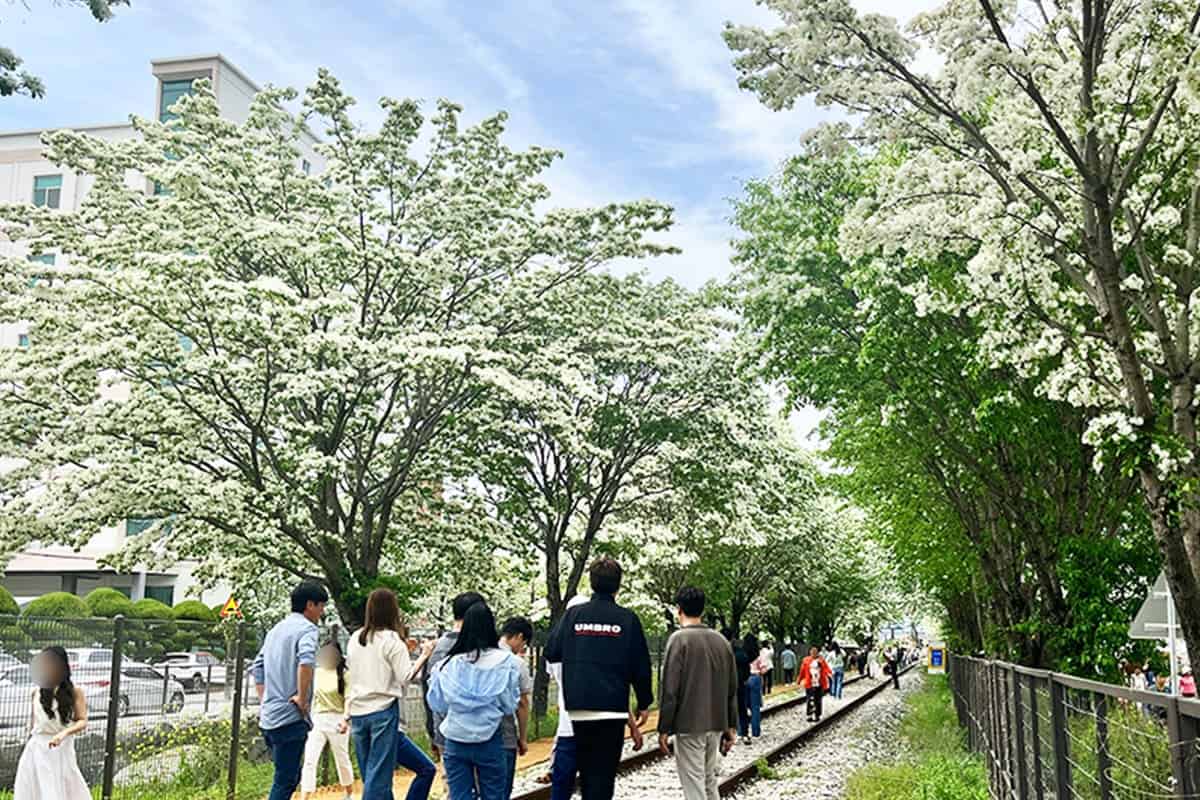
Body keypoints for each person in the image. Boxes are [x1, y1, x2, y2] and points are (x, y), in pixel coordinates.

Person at [546, 558, 653, 800]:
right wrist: (643, 702)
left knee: (584, 773)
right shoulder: (627, 619)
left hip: (579, 707)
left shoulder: (573, 615)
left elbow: (552, 650)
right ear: (618, 586)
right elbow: (640, 664)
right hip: (611, 709)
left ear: (591, 583)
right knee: (602, 778)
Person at [347, 587, 436, 800]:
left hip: (358, 713)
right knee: (378, 780)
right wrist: (424, 655)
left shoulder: (355, 638)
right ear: (392, 611)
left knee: (371, 776)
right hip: (383, 712)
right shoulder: (392, 640)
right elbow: (405, 676)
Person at [427, 600, 520, 800]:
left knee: (459, 796)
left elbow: (438, 704)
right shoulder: (506, 662)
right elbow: (508, 706)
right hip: (489, 740)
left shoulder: (447, 664)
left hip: (455, 741)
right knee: (494, 795)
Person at [657, 586, 738, 800]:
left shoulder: (679, 640)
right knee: (709, 780)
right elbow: (731, 688)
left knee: (693, 783)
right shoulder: (721, 641)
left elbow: (670, 690)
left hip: (689, 723)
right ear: (702, 609)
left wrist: (664, 728)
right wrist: (731, 726)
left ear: (679, 609)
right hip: (717, 722)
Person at [253, 580, 326, 800]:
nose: (322, 612)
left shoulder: (276, 629)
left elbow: (258, 666)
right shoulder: (307, 629)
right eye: (321, 606)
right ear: (309, 605)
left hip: (269, 716)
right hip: (290, 717)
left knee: (288, 777)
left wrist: (264, 698)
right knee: (285, 781)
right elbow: (306, 661)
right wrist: (302, 698)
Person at [13, 646, 90, 800]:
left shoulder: (76, 692)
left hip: (62, 747)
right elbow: (33, 724)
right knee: (35, 789)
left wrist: (63, 734)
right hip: (37, 748)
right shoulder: (36, 692)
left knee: (64, 788)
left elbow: (82, 721)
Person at [423, 590, 485, 758]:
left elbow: (430, 694)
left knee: (451, 782)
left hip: (444, 731)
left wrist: (433, 733)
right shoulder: (481, 648)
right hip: (479, 734)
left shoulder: (436, 649)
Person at [548, 594, 589, 800]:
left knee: (561, 785)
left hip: (567, 726)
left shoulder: (556, 646)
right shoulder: (596, 646)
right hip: (594, 725)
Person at [301, 641, 353, 800]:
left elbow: (349, 698)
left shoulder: (345, 674)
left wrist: (346, 719)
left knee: (341, 758)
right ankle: (305, 795)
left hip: (338, 719)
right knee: (310, 759)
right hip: (319, 718)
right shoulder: (318, 672)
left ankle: (349, 793)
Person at [499, 616, 535, 797]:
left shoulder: (477, 655)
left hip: (470, 736)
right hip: (504, 735)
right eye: (524, 643)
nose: (523, 648)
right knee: (501, 791)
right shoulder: (517, 664)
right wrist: (522, 738)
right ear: (519, 636)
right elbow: (522, 703)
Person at [799, 646, 832, 722]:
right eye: (812, 651)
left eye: (815, 651)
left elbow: (826, 669)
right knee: (810, 699)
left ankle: (817, 714)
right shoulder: (806, 660)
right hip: (809, 683)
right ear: (810, 652)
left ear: (817, 652)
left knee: (818, 699)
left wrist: (830, 674)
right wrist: (799, 680)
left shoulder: (821, 660)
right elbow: (802, 671)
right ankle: (809, 715)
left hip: (819, 683)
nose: (813, 653)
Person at [729, 635, 752, 745]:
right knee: (742, 709)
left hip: (726, 687)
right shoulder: (742, 654)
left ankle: (730, 734)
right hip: (740, 685)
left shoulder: (722, 653)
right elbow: (747, 670)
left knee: (727, 711)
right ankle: (744, 733)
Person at [745, 635, 765, 739]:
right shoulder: (758, 655)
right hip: (755, 678)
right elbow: (763, 669)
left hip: (744, 679)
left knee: (743, 706)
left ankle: (742, 732)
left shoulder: (742, 654)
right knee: (755, 707)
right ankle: (755, 732)